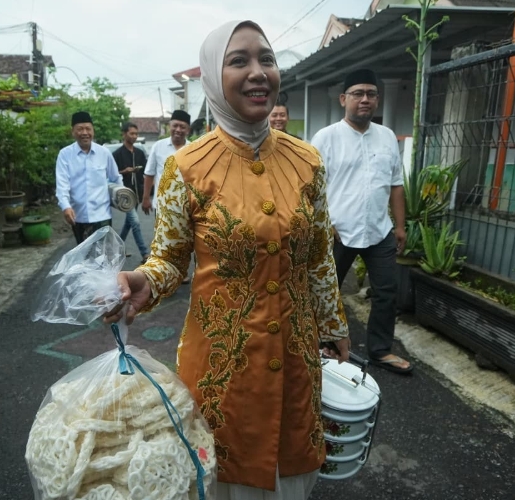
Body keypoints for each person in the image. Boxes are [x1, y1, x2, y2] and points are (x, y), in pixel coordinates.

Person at [105, 20, 350, 500]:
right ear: (215, 79)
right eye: (239, 61)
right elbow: (170, 258)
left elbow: (319, 254)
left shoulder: (308, 162)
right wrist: (145, 281)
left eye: (267, 59)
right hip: (222, 367)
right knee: (223, 478)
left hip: (296, 357)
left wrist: (333, 324)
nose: (258, 72)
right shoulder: (185, 167)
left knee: (290, 472)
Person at [311, 69, 413, 375]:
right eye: (358, 94)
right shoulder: (326, 138)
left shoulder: (387, 137)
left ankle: (380, 350)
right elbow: (310, 188)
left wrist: (399, 226)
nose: (365, 99)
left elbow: (396, 184)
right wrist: (323, 224)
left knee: (386, 292)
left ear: (378, 100)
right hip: (337, 232)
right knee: (326, 292)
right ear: (344, 99)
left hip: (379, 231)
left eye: (371, 94)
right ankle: (323, 346)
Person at [55, 111, 122, 244]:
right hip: (78, 216)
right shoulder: (65, 155)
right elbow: (62, 184)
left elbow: (116, 178)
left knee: (104, 253)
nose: (84, 132)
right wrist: (65, 206)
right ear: (73, 132)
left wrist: (121, 197)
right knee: (84, 254)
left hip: (102, 215)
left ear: (93, 131)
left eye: (88, 129)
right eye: (80, 129)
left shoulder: (104, 153)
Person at [111, 122, 150, 263]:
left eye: (136, 134)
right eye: (131, 133)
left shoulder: (139, 153)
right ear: (124, 134)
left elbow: (147, 171)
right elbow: (111, 175)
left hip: (137, 192)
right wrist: (124, 171)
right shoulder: (117, 154)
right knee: (135, 222)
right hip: (124, 195)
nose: (134, 136)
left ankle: (117, 248)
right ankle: (144, 253)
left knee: (129, 223)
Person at [141, 110, 191, 217]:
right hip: (162, 206)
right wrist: (145, 198)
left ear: (188, 130)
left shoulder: (193, 149)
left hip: (186, 207)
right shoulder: (158, 146)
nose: (178, 130)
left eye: (182, 127)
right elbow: (149, 174)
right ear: (169, 126)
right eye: (175, 126)